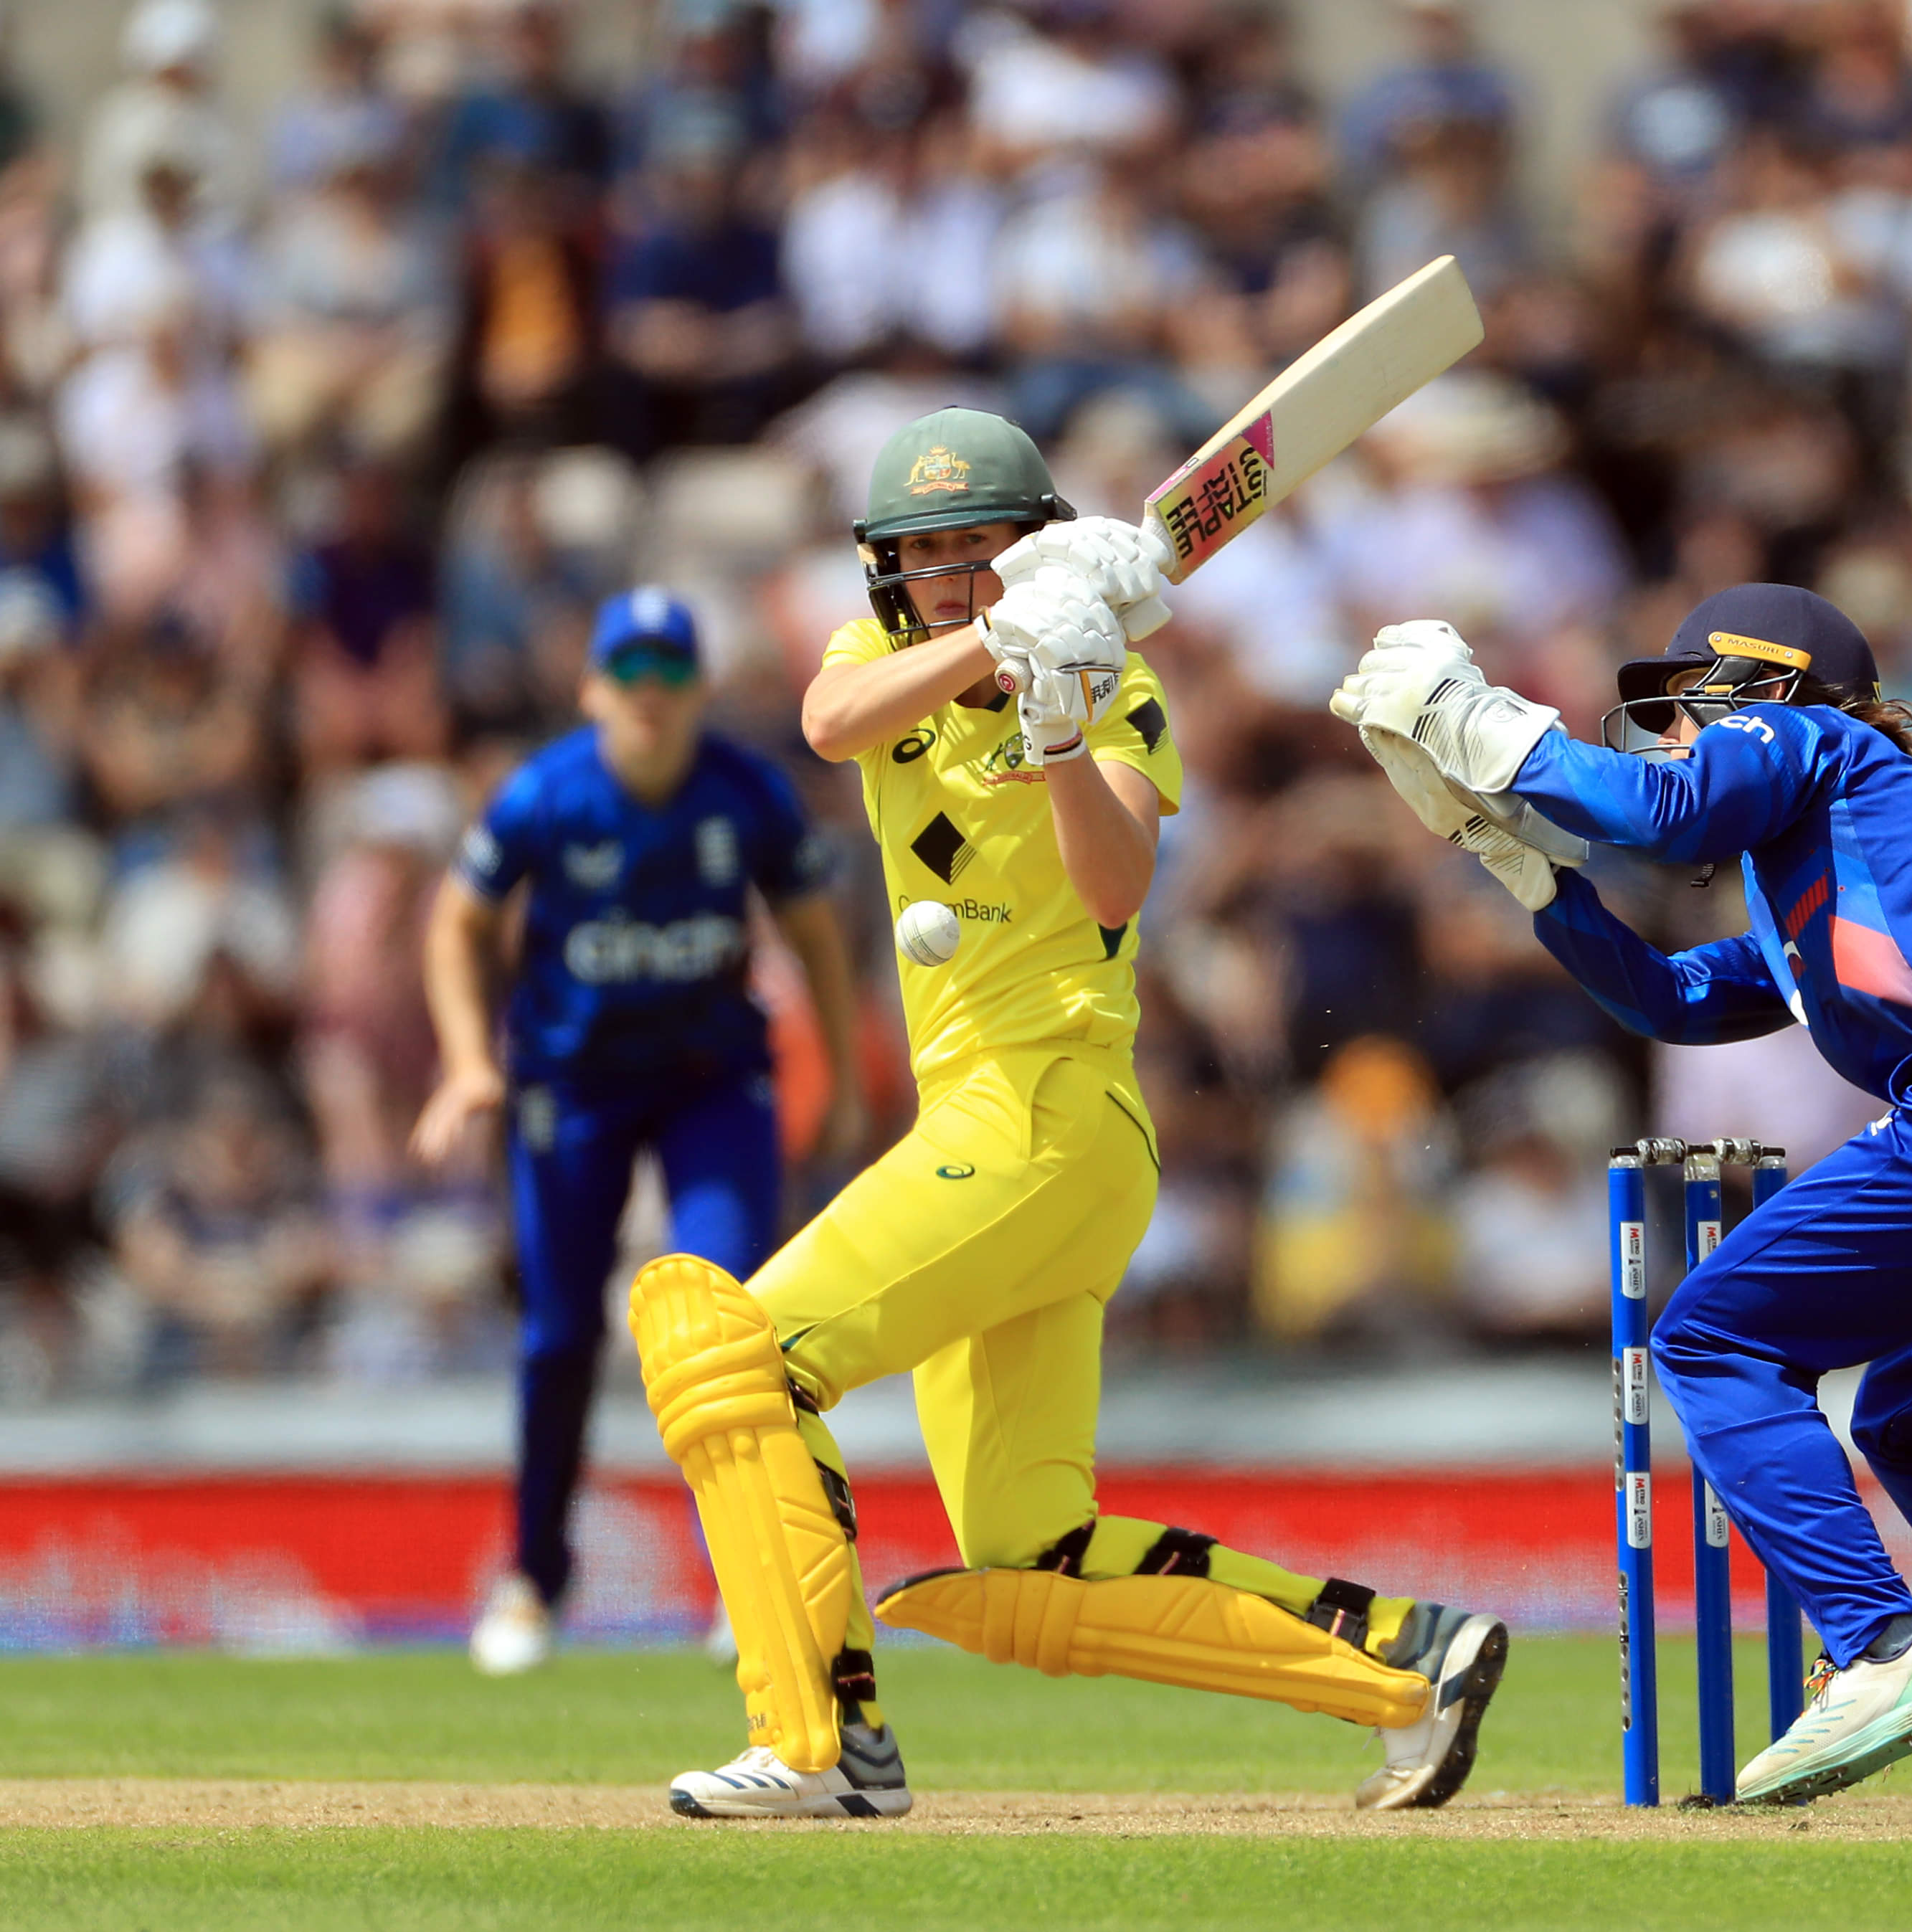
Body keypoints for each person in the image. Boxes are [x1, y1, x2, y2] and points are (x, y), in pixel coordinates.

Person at [628, 407, 1505, 1821]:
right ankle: (1406, 1662)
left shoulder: (1112, 688)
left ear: (1035, 547)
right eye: (925, 558)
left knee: (734, 1353)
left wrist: (1052, 719)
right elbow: (827, 719)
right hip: (998, 1139)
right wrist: (1003, 637)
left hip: (1046, 1120)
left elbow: (1111, 888)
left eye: (983, 552)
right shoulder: (885, 656)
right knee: (1034, 1554)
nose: (950, 577)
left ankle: (815, 1742)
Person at [1334, 583, 1912, 1821]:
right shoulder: (1835, 871)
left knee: (1709, 1334)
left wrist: (1479, 720)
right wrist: (1517, 862)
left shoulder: (1815, 738)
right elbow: (1670, 1001)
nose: (1670, 733)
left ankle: (1877, 1650)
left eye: (1682, 707)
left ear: (1753, 683)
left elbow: (1667, 812)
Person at [412, 587, 862, 1676]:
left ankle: (747, 1583)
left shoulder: (745, 792)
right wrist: (469, 1061)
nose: (651, 698)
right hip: (572, 1089)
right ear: (594, 689)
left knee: (726, 1320)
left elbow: (813, 936)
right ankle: (532, 1578)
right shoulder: (547, 795)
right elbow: (457, 919)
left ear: (700, 688)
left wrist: (843, 1078)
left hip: (713, 1081)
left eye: (671, 676)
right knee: (561, 1333)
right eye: (632, 677)